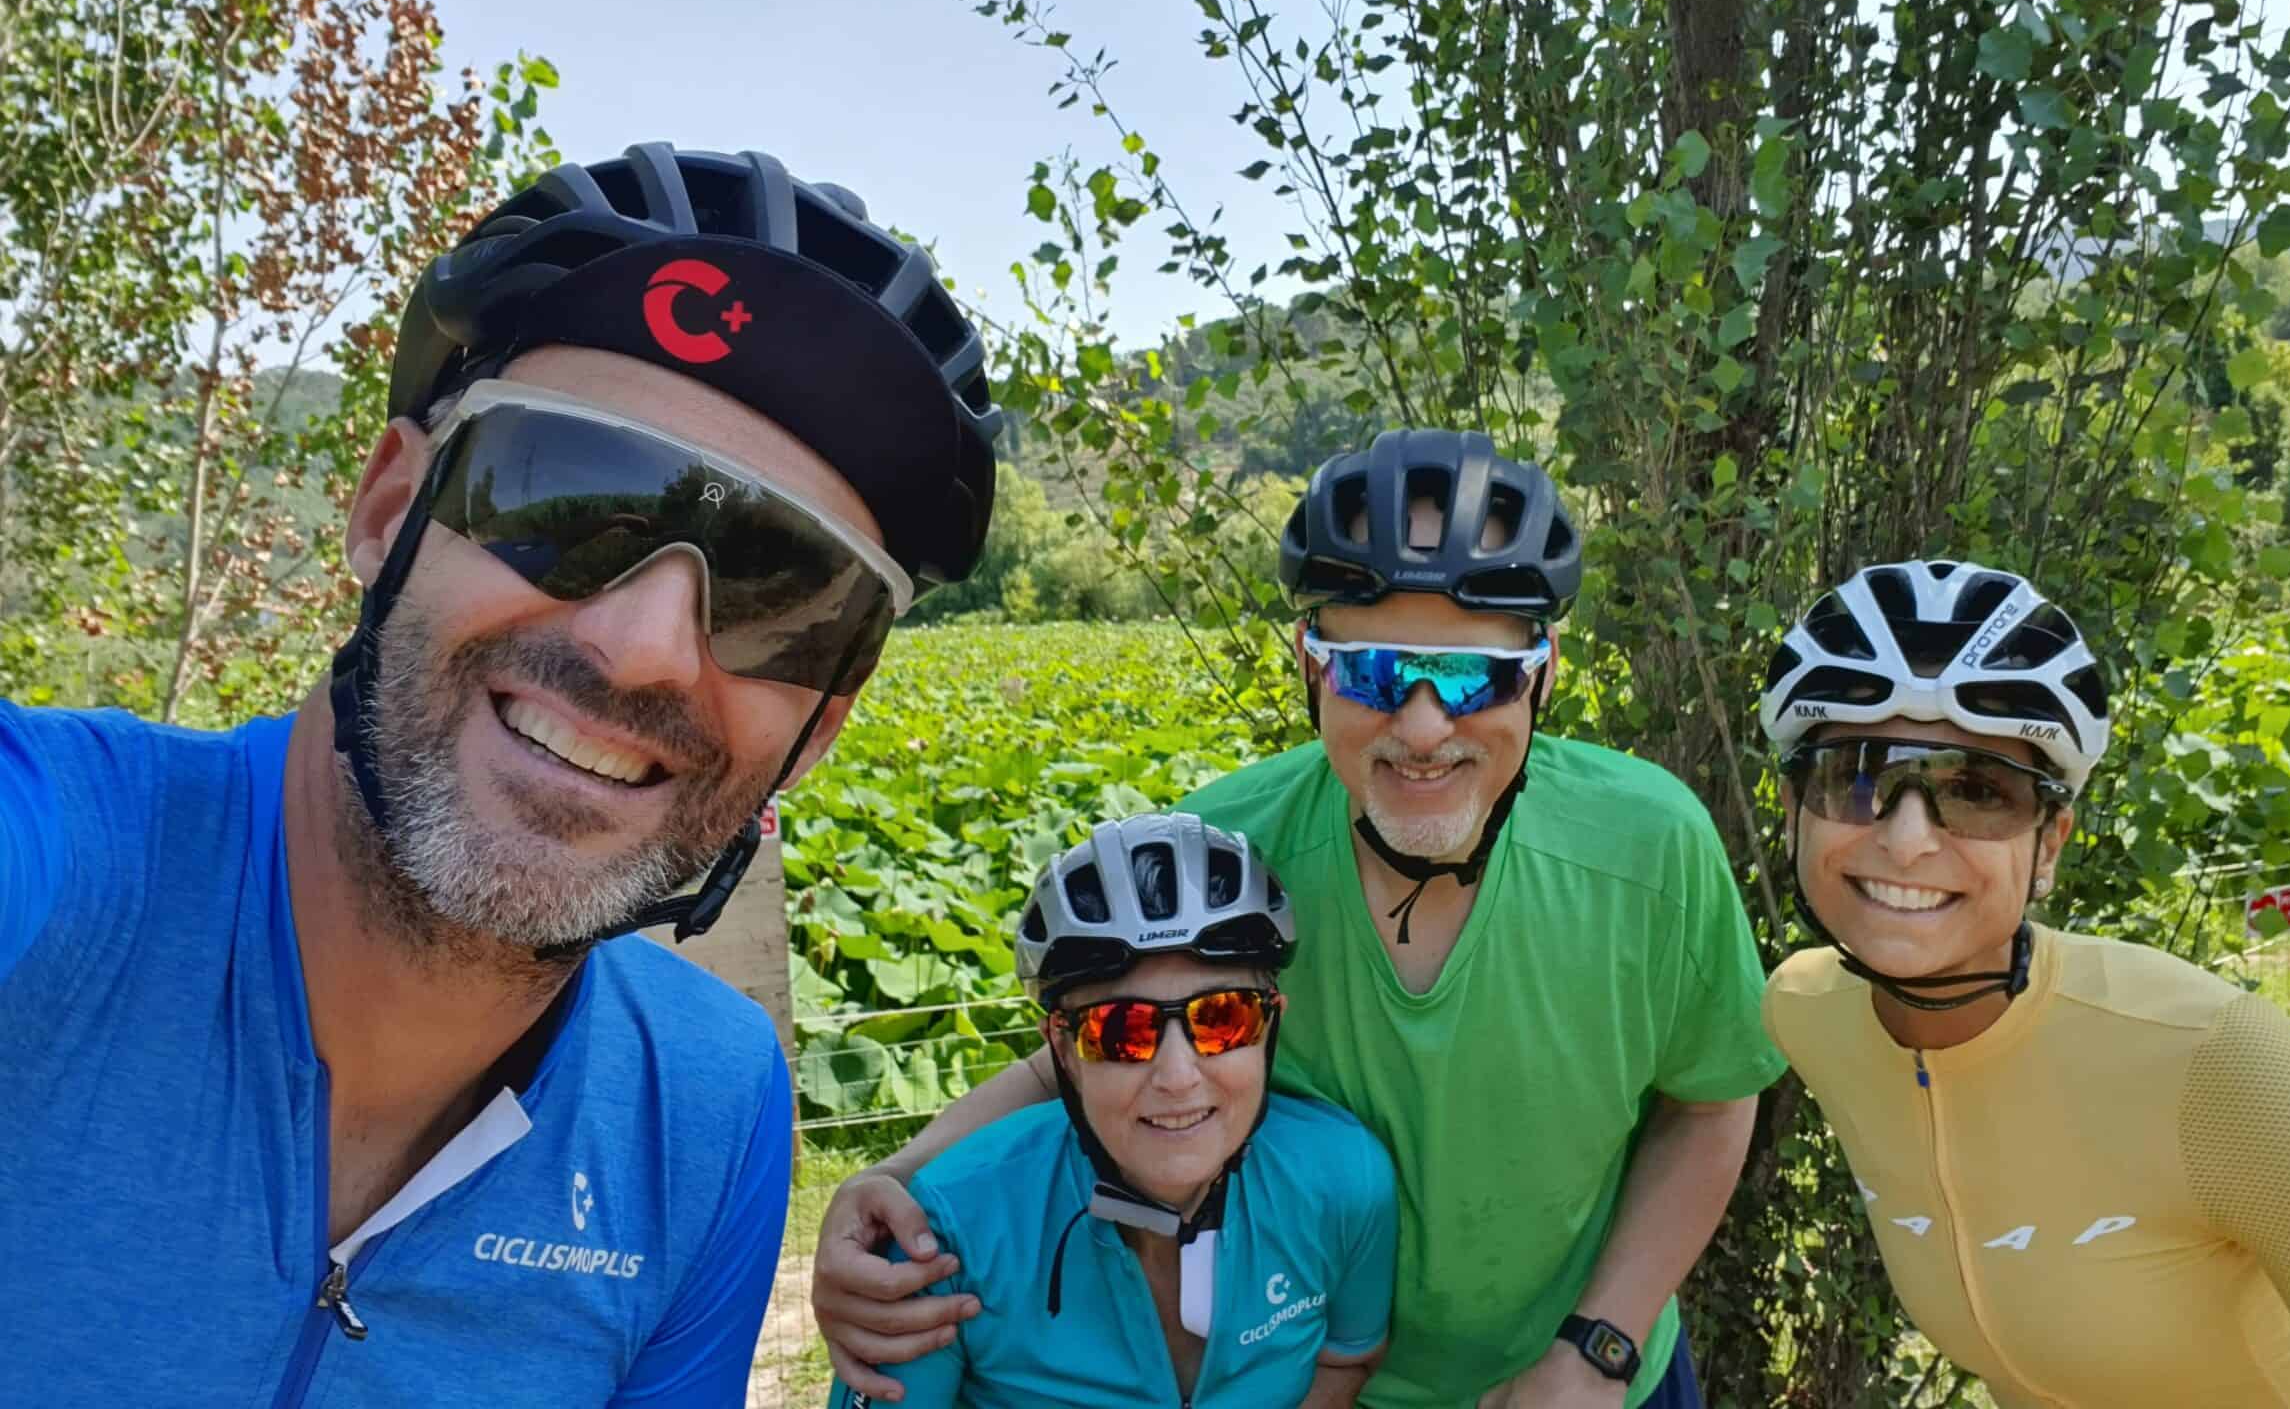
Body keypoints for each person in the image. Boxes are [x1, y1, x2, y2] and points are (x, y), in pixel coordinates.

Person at [0, 144, 1001, 1405]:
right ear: (386, 510)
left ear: (819, 728)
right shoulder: (53, 872)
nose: (640, 648)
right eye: (569, 494)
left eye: (776, 594)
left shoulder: (697, 1107)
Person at [816, 429, 1788, 1409]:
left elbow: (1708, 1103)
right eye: (1369, 671)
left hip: (1601, 1372)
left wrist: (1596, 1348)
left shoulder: (1648, 847)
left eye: (1470, 675)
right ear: (1311, 665)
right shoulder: (1230, 848)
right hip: (1332, 1381)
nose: (1419, 727)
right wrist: (884, 1187)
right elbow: (1091, 1047)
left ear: (1542, 668)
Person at [1754, 558, 2290, 1407]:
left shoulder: (2214, 1059)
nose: (1909, 838)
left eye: (1978, 791)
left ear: (2051, 844)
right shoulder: (1808, 1013)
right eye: (1858, 775)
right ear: (1793, 812)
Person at [824, 812, 1397, 1408]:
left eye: (1223, 1018)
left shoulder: (1346, 1182)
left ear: (1270, 1022)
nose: (1177, 1077)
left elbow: (1345, 1357)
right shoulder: (943, 1230)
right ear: (1062, 1050)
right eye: (1121, 1030)